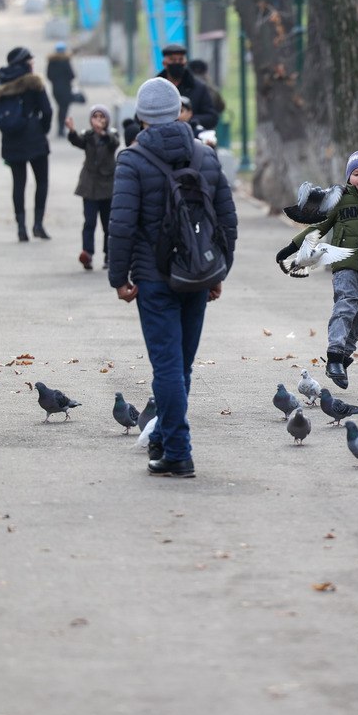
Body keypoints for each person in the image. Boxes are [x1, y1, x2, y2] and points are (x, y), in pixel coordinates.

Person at [107, 77, 238, 479]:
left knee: (166, 367)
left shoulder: (132, 160)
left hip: (155, 279)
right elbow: (227, 221)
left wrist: (119, 277)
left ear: (142, 116)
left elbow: (122, 225)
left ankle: (178, 451)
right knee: (181, 366)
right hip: (197, 276)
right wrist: (219, 271)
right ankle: (164, 436)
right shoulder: (205, 156)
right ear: (179, 112)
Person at [274, 151, 358, 390]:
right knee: (346, 304)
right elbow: (318, 228)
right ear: (349, 177)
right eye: (356, 173)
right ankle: (335, 355)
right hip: (344, 268)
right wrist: (292, 247)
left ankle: (342, 357)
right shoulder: (340, 201)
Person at [0, 46, 52, 242]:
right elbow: (47, 111)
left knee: (18, 183)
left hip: (11, 141)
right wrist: (41, 129)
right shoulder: (34, 83)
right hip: (35, 139)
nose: (32, 63)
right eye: (30, 60)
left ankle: (21, 227)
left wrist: (8, 127)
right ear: (24, 62)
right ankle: (38, 224)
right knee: (42, 181)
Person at [66, 104, 119, 271]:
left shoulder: (111, 135)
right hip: (89, 186)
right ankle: (87, 253)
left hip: (107, 186)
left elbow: (113, 143)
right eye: (95, 117)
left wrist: (102, 133)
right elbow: (77, 142)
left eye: (101, 117)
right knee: (89, 222)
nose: (98, 121)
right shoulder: (88, 136)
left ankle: (109, 255)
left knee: (107, 224)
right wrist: (72, 131)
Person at [156, 43, 218, 138]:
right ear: (164, 63)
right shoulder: (155, 87)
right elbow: (142, 116)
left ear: (185, 62)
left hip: (192, 139)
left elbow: (211, 117)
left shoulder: (199, 87)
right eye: (172, 60)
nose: (177, 63)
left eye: (180, 60)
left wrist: (190, 119)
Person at [46, 42, 76, 137]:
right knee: (63, 109)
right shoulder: (66, 61)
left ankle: (60, 128)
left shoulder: (51, 62)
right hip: (66, 89)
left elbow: (49, 75)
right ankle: (61, 129)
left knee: (60, 108)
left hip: (56, 89)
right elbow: (72, 75)